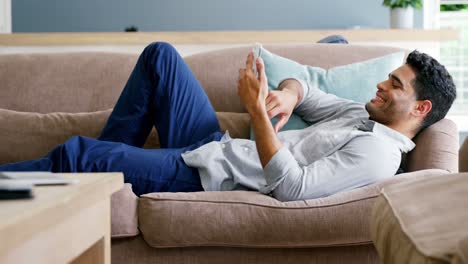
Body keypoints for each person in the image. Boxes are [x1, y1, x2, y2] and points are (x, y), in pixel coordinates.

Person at [0, 41, 456, 201]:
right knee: (160, 57)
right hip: (218, 148)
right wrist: (289, 92)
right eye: (388, 77)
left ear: (420, 110)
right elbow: (309, 91)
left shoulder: (376, 154)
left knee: (80, 154)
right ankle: (98, 184)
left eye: (395, 85)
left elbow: (292, 189)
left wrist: (257, 110)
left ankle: (91, 171)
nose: (381, 85)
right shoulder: (362, 117)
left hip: (215, 176)